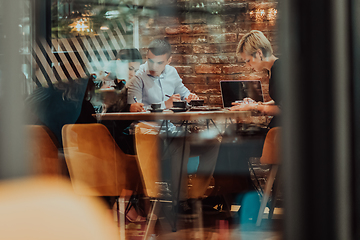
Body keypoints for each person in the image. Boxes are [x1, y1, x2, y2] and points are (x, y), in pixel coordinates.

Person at [126, 39, 220, 214]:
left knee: (212, 143)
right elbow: (134, 110)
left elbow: (184, 93)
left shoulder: (172, 73)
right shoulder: (138, 77)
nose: (153, 66)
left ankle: (196, 196)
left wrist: (190, 97)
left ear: (169, 61)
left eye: (159, 62)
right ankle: (180, 200)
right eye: (150, 60)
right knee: (179, 142)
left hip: (170, 133)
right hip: (148, 137)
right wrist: (164, 104)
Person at [230, 30, 281, 129]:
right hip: (275, 129)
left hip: (281, 133)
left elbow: (287, 109)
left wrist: (253, 107)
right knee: (234, 129)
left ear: (259, 53)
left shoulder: (280, 68)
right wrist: (258, 104)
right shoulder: (272, 69)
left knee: (234, 132)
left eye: (248, 61)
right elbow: (281, 101)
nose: (247, 66)